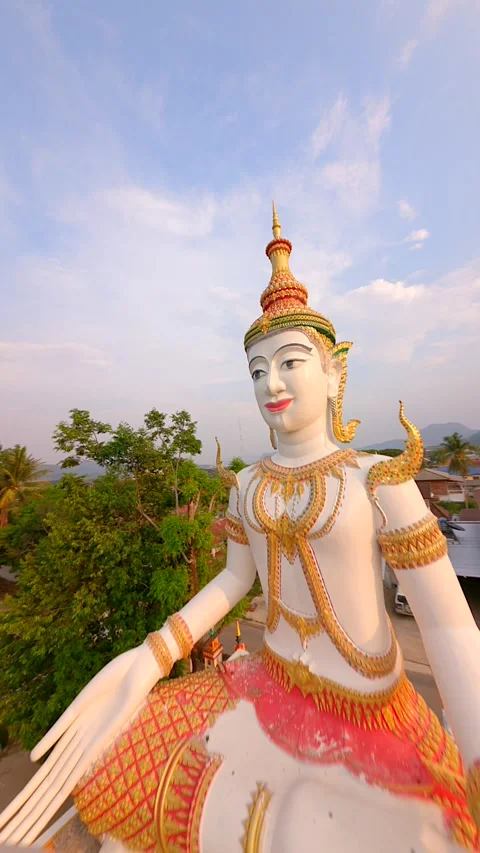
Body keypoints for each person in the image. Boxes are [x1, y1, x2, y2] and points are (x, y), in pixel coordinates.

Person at [1, 206, 479, 852]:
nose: (270, 384)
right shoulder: (248, 483)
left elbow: (449, 626)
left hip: (372, 712)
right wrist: (151, 655)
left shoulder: (378, 479)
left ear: (335, 369)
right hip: (266, 682)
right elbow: (234, 579)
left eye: (288, 362)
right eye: (257, 370)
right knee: (121, 756)